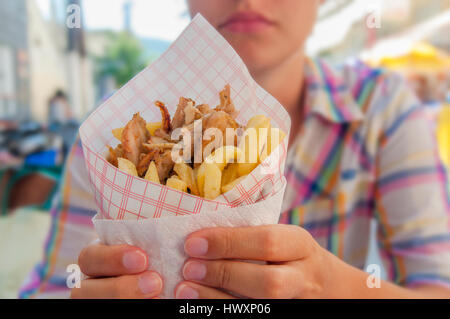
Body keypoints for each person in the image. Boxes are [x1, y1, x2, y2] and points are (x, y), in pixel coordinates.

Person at [21, 0, 450, 299]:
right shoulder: (109, 141)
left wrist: (329, 286)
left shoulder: (384, 111)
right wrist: (82, 290)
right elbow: (56, 284)